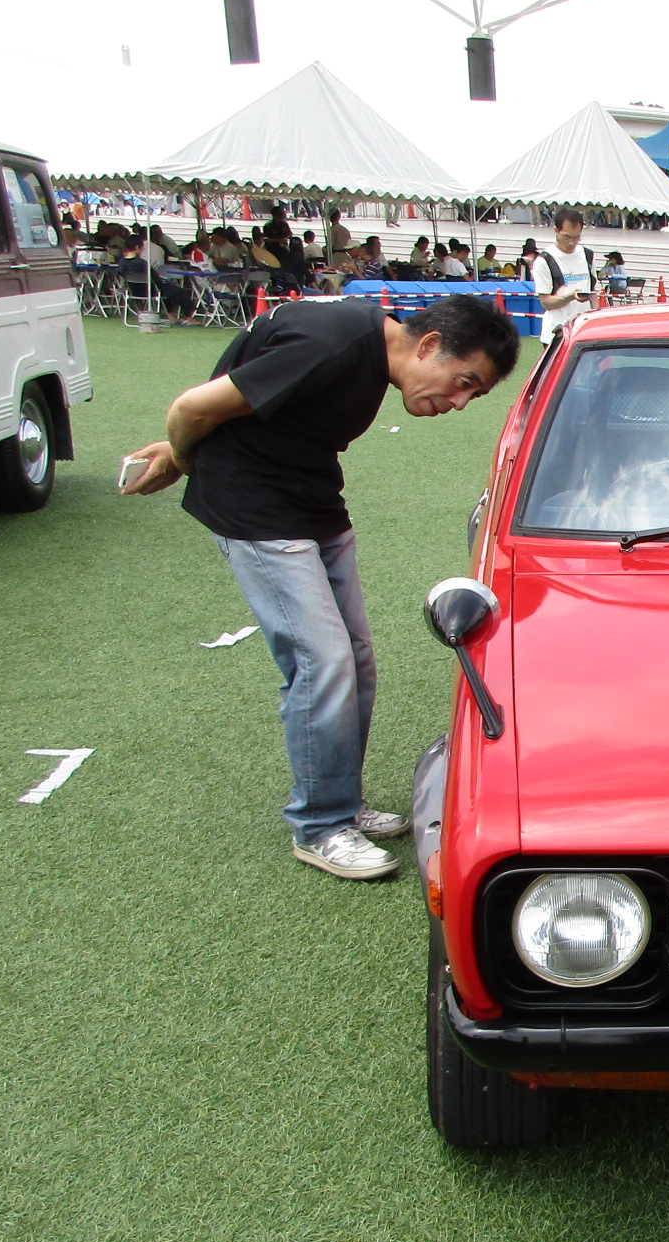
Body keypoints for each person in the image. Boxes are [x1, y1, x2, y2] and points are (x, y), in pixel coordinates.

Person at [120, 295, 519, 880]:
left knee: (355, 657)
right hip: (254, 508)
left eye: (473, 396)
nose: (458, 403)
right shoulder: (330, 345)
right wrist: (182, 459)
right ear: (429, 344)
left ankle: (340, 800)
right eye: (463, 383)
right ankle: (319, 826)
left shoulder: (368, 354)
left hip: (311, 502)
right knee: (321, 660)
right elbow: (192, 407)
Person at [530, 210, 597, 334]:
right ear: (556, 230)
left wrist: (597, 322)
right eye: (567, 237)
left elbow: (593, 293)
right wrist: (571, 296)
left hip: (584, 331)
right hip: (556, 333)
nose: (572, 242)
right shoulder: (545, 260)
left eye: (577, 237)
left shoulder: (588, 255)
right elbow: (546, 302)